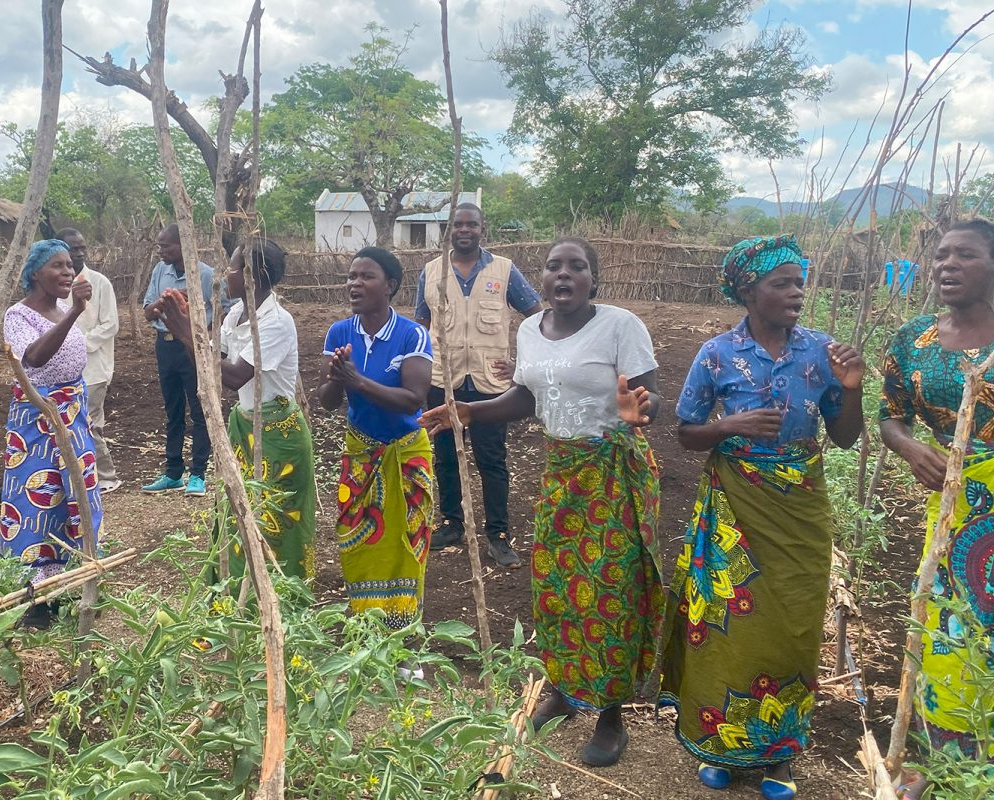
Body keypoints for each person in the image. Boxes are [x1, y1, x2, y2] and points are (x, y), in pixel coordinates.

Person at [421, 238, 663, 767]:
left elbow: (650, 402)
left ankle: (610, 715)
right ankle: (562, 690)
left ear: (593, 280)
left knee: (611, 589)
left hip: (613, 473)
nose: (563, 274)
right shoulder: (530, 329)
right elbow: (528, 396)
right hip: (562, 473)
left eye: (577, 266)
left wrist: (636, 412)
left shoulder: (621, 326)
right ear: (544, 277)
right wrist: (470, 410)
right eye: (554, 266)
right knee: (557, 583)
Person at [660, 235, 864, 800]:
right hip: (736, 505)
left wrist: (851, 390)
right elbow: (685, 434)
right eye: (783, 283)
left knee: (793, 629)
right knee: (727, 625)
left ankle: (779, 757)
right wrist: (731, 426)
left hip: (800, 508)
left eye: (800, 282)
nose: (797, 292)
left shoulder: (822, 352)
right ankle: (722, 743)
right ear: (749, 291)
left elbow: (845, 437)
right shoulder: (716, 354)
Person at [879, 218, 994, 799]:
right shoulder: (913, 338)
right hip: (955, 512)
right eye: (941, 255)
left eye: (965, 255)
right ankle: (942, 758)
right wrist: (909, 446)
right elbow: (889, 416)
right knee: (949, 630)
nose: (947, 264)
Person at [158, 238, 316, 580]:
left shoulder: (277, 321)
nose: (224, 275)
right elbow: (211, 367)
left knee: (276, 520)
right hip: (246, 426)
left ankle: (282, 598)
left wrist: (188, 332)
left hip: (279, 434)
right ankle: (236, 598)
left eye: (231, 267)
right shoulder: (235, 314)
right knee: (237, 511)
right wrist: (184, 331)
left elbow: (234, 376)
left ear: (252, 275)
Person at [415, 202, 543, 568]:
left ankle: (498, 535)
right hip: (443, 382)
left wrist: (523, 365)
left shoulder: (504, 271)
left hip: (491, 384)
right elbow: (420, 327)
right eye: (459, 224)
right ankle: (451, 524)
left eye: (472, 224)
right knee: (445, 458)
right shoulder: (431, 271)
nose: (465, 230)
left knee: (492, 460)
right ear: (450, 230)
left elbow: (536, 317)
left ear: (482, 229)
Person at [319, 247, 435, 630]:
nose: (355, 283)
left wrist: (357, 381)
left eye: (366, 276)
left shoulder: (411, 334)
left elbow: (413, 399)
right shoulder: (339, 332)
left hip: (405, 455)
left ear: (391, 286)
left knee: (407, 546)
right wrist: (337, 379)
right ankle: (367, 632)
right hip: (361, 455)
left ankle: (403, 640)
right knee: (358, 542)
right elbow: (327, 402)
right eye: (351, 276)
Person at [1, 239, 104, 629]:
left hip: (73, 414)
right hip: (37, 421)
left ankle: (72, 585)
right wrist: (76, 311)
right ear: (35, 274)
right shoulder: (18, 315)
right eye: (57, 266)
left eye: (69, 266)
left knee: (75, 499)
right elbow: (35, 358)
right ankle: (31, 597)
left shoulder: (62, 309)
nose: (67, 272)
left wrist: (71, 311)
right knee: (36, 503)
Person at [141, 223, 219, 496]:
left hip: (192, 348)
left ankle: (198, 474)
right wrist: (164, 303)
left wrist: (202, 335)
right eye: (159, 245)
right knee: (173, 411)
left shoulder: (206, 276)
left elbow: (224, 313)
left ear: (183, 246)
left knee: (200, 410)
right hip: (165, 346)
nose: (160, 251)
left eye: (166, 246)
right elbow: (148, 312)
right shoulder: (160, 272)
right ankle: (173, 472)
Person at [57, 227, 121, 494]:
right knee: (67, 425)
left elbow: (110, 325)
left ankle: (106, 476)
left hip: (93, 370)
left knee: (90, 424)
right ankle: (80, 476)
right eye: (74, 248)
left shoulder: (99, 283)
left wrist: (77, 345)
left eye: (83, 247)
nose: (81, 252)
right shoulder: (57, 287)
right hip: (62, 370)